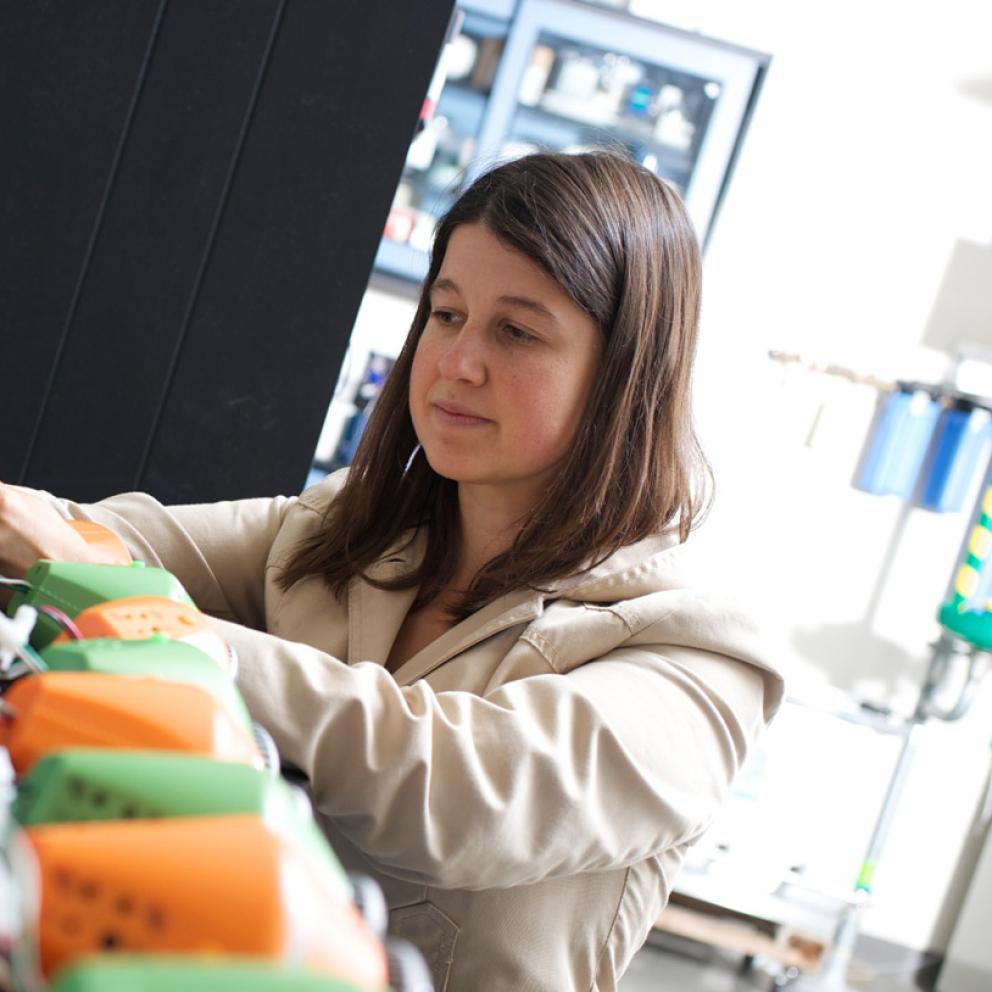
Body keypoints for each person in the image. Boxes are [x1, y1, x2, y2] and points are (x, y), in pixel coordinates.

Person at [0, 151, 783, 991]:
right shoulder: (356, 530)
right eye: (447, 315)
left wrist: (164, 632)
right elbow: (108, 541)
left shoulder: (699, 657)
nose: (458, 362)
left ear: (626, 373)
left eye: (515, 331)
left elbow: (460, 791)